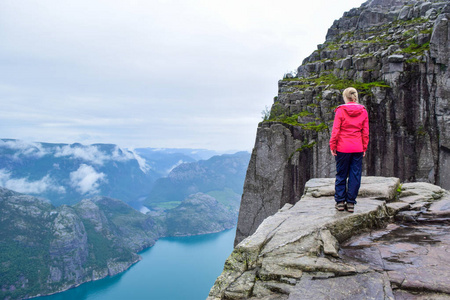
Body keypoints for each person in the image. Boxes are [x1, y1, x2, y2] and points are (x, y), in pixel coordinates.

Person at [329, 87, 369, 213]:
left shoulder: (341, 110)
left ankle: (340, 202)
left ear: (345, 97)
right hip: (357, 147)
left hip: (342, 147)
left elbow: (336, 130)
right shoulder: (363, 111)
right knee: (355, 175)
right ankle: (351, 203)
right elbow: (365, 132)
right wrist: (364, 147)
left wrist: (333, 145)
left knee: (341, 174)